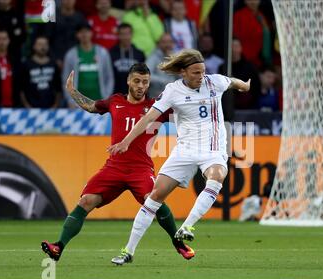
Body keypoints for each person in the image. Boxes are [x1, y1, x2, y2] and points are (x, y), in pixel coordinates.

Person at [108, 49, 250, 264]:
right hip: (184, 150)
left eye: (202, 72)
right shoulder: (172, 91)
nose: (200, 76)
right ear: (183, 72)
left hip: (212, 149)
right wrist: (126, 141)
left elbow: (232, 82)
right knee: (154, 196)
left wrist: (245, 85)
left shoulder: (215, 82)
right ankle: (128, 251)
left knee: (217, 175)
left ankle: (187, 226)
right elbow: (148, 119)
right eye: (195, 72)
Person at [41, 63, 194, 262]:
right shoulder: (115, 101)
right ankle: (58, 246)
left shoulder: (157, 107)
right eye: (137, 81)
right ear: (129, 81)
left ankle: (178, 243)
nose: (141, 86)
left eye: (145, 82)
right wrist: (71, 91)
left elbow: (184, 113)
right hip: (114, 167)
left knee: (153, 199)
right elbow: (90, 106)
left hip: (140, 169)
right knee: (86, 201)